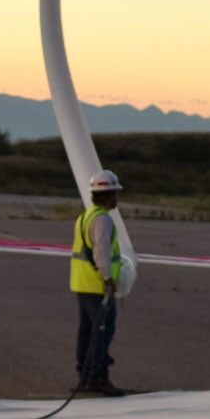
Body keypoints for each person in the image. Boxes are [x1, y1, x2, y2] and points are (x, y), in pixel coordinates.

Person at [71, 170, 128, 396]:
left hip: (82, 284)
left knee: (87, 331)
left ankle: (85, 377)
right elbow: (102, 253)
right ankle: (98, 378)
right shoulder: (102, 220)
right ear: (110, 194)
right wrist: (109, 279)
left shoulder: (86, 216)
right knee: (102, 332)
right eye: (115, 193)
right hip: (97, 286)